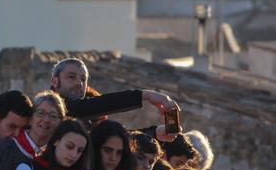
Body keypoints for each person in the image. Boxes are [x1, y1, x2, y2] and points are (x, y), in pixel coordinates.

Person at [48, 58, 180, 141]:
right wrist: (146, 95)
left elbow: (111, 142)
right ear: (55, 81)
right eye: (71, 77)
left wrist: (153, 133)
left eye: (83, 79)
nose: (79, 83)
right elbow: (100, 104)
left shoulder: (89, 119)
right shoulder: (51, 105)